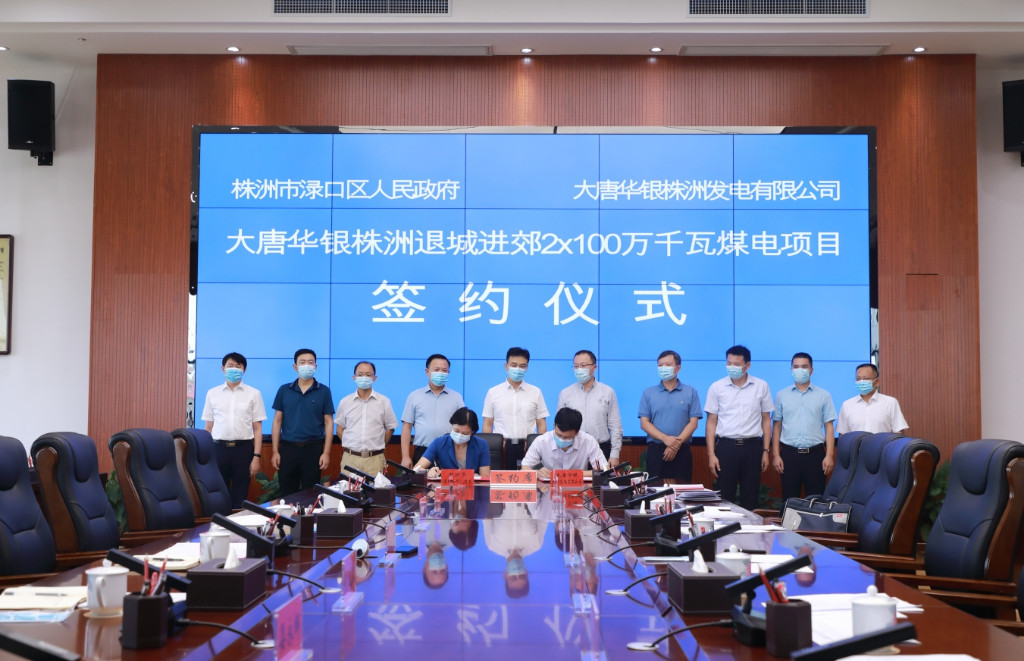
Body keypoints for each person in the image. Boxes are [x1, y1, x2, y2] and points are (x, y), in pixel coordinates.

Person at [704, 345, 774, 511]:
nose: (731, 367)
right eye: (729, 363)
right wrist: (711, 454)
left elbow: (766, 420)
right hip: (726, 448)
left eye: (736, 364)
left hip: (752, 447)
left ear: (747, 365)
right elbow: (711, 422)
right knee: (723, 498)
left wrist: (765, 450)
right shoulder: (717, 387)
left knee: (750, 497)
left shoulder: (761, 385)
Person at [201, 352, 267, 508]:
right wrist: (206, 456)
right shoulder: (212, 393)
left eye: (238, 366)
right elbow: (208, 427)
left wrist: (256, 457)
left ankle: (236, 523)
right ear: (223, 369)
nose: (234, 369)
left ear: (244, 370)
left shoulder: (254, 394)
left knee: (240, 495)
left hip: (243, 450)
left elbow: (257, 429)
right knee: (218, 495)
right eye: (230, 366)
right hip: (218, 449)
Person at [771, 352, 837, 501]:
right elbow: (777, 426)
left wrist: (829, 455)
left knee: (816, 501)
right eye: (796, 367)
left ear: (811, 370)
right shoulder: (781, 395)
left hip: (815, 455)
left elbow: (829, 427)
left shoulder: (824, 395)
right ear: (791, 369)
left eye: (804, 367)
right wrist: (775, 455)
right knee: (789, 501)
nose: (800, 370)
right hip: (789, 455)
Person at [271, 348, 335, 497]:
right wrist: (275, 451)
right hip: (288, 448)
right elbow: (277, 421)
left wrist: (326, 452)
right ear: (295, 367)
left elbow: (329, 423)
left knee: (311, 494)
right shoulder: (284, 390)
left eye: (310, 362)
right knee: (287, 494)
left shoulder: (324, 391)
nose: (307, 365)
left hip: (313, 449)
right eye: (302, 362)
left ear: (316, 367)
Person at [638, 350, 703, 483]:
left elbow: (693, 423)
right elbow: (644, 423)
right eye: (660, 365)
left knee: (682, 491)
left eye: (667, 365)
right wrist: (666, 439)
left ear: (678, 368)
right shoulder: (648, 393)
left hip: (682, 451)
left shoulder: (690, 392)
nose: (663, 368)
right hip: (656, 451)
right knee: (655, 490)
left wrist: (675, 445)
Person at [556, 349, 624, 466]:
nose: (579, 369)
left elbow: (615, 425)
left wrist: (615, 454)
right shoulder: (565, 393)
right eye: (576, 366)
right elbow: (559, 425)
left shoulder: (608, 392)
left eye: (583, 366)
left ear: (594, 367)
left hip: (601, 448)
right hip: (573, 449)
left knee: (601, 478)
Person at [482, 347, 549, 460]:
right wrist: (488, 448)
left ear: (527, 367)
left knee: (528, 472)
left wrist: (540, 447)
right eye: (513, 365)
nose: (518, 369)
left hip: (529, 446)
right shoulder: (493, 392)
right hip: (501, 447)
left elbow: (541, 423)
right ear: (506, 366)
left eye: (522, 366)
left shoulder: (536, 392)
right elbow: (488, 423)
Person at [400, 353, 465, 468]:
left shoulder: (457, 397)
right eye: (436, 369)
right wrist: (405, 456)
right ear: (427, 372)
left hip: (449, 451)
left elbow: (463, 426)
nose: (441, 373)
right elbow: (406, 428)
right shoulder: (414, 396)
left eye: (444, 370)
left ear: (448, 372)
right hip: (422, 451)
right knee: (421, 480)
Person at [335, 360, 397, 479]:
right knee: (348, 490)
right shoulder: (345, 402)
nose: (364, 378)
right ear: (354, 377)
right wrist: (352, 444)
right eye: (360, 374)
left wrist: (377, 445)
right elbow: (339, 429)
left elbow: (390, 428)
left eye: (368, 375)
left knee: (376, 490)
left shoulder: (384, 401)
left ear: (374, 378)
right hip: (350, 459)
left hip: (375, 460)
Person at [521, 407, 608, 480]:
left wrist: (570, 475)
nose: (562, 439)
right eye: (558, 435)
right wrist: (537, 473)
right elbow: (524, 468)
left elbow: (605, 469)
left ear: (577, 432)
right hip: (549, 488)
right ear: (554, 426)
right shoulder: (541, 441)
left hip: (579, 489)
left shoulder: (588, 441)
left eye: (567, 437)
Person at [414, 407, 491, 477]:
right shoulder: (439, 443)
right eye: (456, 431)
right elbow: (416, 469)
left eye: (465, 433)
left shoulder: (481, 444)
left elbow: (485, 477)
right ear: (452, 425)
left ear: (472, 432)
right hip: (446, 486)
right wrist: (428, 472)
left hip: (473, 486)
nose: (459, 435)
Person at [836, 363, 909, 435]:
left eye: (865, 379)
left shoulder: (890, 402)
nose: (861, 382)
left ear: (876, 382)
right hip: (856, 443)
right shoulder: (847, 405)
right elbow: (843, 435)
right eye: (858, 379)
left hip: (882, 443)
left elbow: (899, 431)